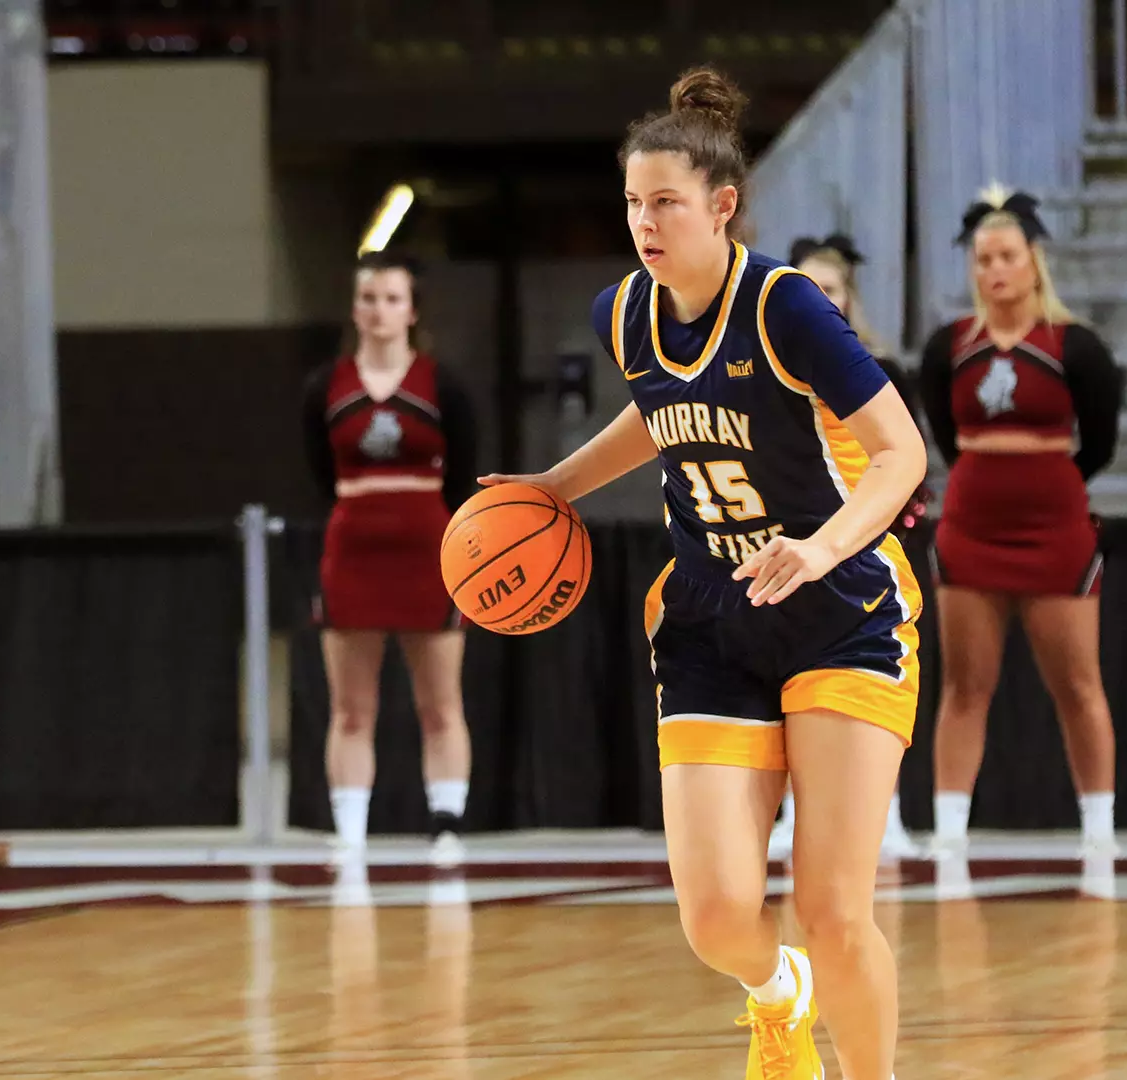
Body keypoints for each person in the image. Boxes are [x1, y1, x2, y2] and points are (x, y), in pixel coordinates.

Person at [486, 67, 926, 1080]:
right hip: (710, 614)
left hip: (840, 608)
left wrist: (822, 546)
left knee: (829, 907)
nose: (645, 221)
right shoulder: (625, 313)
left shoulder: (789, 308)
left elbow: (901, 453)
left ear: (722, 206)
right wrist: (555, 484)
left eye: (666, 203)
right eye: (634, 202)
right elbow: (660, 406)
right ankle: (779, 996)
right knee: (719, 919)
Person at [916, 187, 1124, 857]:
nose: (994, 271)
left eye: (1006, 256)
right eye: (983, 260)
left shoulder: (1076, 346)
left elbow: (1100, 443)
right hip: (971, 527)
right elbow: (945, 436)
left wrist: (1046, 484)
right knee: (963, 684)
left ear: (1034, 260)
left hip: (1054, 528)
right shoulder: (948, 347)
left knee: (1078, 683)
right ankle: (950, 831)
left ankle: (1099, 829)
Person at [303, 251, 478, 864]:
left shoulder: (443, 384)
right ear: (355, 308)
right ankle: (350, 837)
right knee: (351, 709)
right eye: (369, 298)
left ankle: (447, 826)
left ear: (412, 309)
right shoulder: (324, 386)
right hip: (351, 551)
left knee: (440, 702)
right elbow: (320, 474)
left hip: (429, 552)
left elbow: (465, 475)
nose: (379, 310)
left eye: (392, 299)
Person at [774, 234, 930, 863]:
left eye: (830, 290)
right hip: (788, 547)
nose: (819, 301)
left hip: (862, 551)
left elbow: (906, 462)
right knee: (783, 686)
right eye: (807, 290)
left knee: (872, 686)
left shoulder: (880, 373)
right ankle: (789, 813)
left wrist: (874, 528)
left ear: (848, 300)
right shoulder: (769, 372)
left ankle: (887, 813)